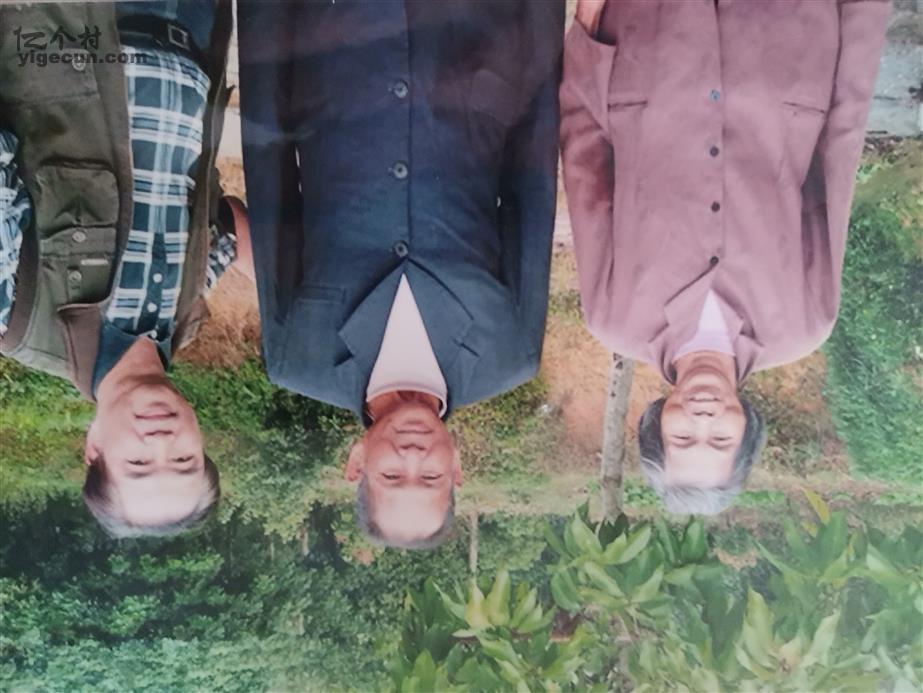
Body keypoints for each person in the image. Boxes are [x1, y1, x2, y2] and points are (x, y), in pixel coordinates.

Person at [238, 0, 564, 548]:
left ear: (356, 463)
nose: (413, 456)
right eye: (430, 477)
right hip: (471, 35)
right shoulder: (509, 354)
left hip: (338, 35)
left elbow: (269, 171)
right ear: (456, 469)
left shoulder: (299, 358)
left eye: (392, 476)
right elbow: (533, 179)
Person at [560, 0, 890, 513]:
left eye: (683, 437)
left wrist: (586, 29)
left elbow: (584, 159)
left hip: (651, 43)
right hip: (787, 38)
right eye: (719, 440)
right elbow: (838, 156)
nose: (703, 419)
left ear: (656, 422)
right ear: (747, 429)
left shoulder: (614, 318)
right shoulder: (803, 324)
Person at [0, 0, 250, 536]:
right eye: (183, 460)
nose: (161, 444)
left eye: (138, 464)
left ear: (93, 448)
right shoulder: (184, 321)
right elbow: (225, 228)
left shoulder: (18, 322)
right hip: (193, 26)